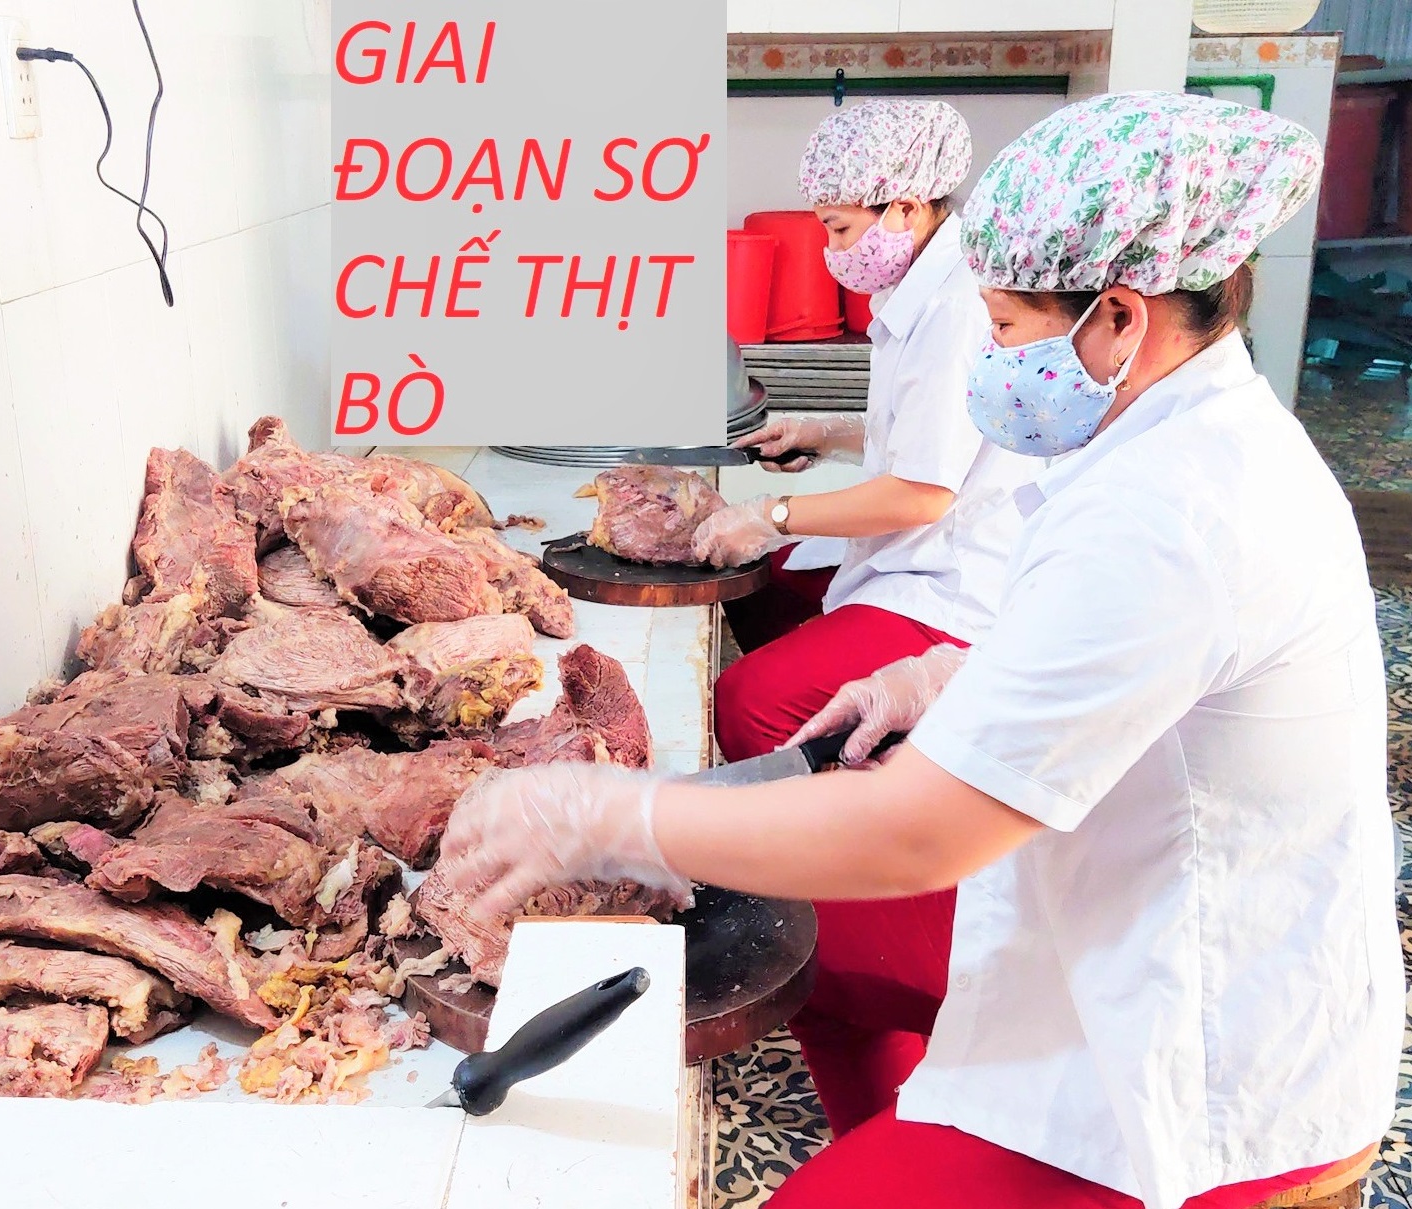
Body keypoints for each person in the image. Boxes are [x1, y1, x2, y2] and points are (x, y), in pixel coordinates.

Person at [438, 92, 1400, 1209]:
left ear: (1119, 317)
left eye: (1005, 327)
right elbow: (1133, 659)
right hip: (1117, 929)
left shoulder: (1174, 506)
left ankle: (922, 1153)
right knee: (827, 959)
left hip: (1194, 1066)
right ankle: (909, 1129)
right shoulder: (1174, 437)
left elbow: (918, 833)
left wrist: (610, 817)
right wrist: (949, 674)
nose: (990, 357)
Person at [705, 99, 1038, 773]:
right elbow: (932, 431)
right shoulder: (922, 285)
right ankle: (834, 743)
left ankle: (838, 807)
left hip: (953, 581)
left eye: (839, 229)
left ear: (905, 209)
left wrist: (770, 515)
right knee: (758, 583)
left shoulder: (955, 309)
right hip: (917, 548)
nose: (831, 251)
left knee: (745, 700)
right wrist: (826, 432)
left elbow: (920, 494)